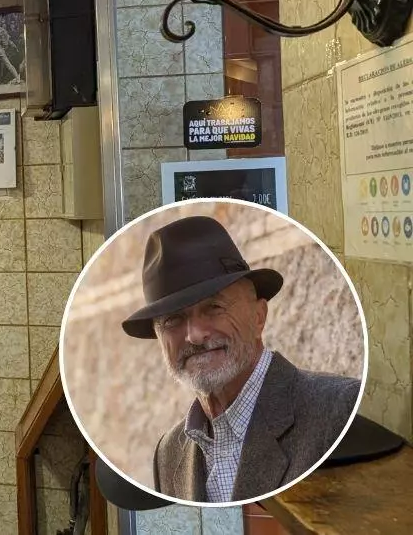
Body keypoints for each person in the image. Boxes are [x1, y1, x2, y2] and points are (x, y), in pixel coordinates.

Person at [122, 216, 360, 503]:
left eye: (214, 307)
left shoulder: (338, 411)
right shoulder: (169, 453)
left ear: (259, 317)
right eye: (173, 319)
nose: (194, 335)